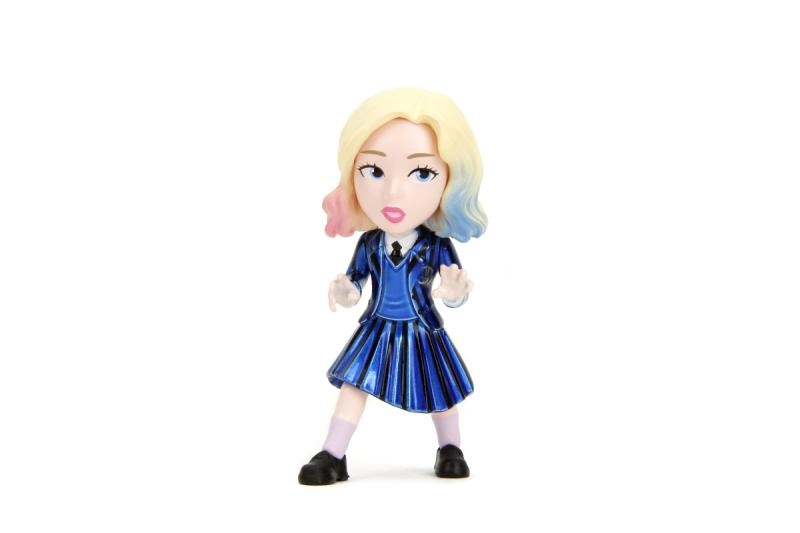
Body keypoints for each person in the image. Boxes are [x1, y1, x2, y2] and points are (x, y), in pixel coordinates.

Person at [298, 88, 488, 485]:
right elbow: (357, 280)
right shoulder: (369, 243)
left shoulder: (435, 244)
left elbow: (453, 284)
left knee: (440, 388)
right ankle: (333, 453)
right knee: (353, 384)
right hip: (378, 326)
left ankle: (450, 447)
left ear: (450, 182)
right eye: (374, 170)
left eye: (422, 173)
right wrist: (347, 292)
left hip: (421, 328)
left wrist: (455, 293)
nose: (393, 192)